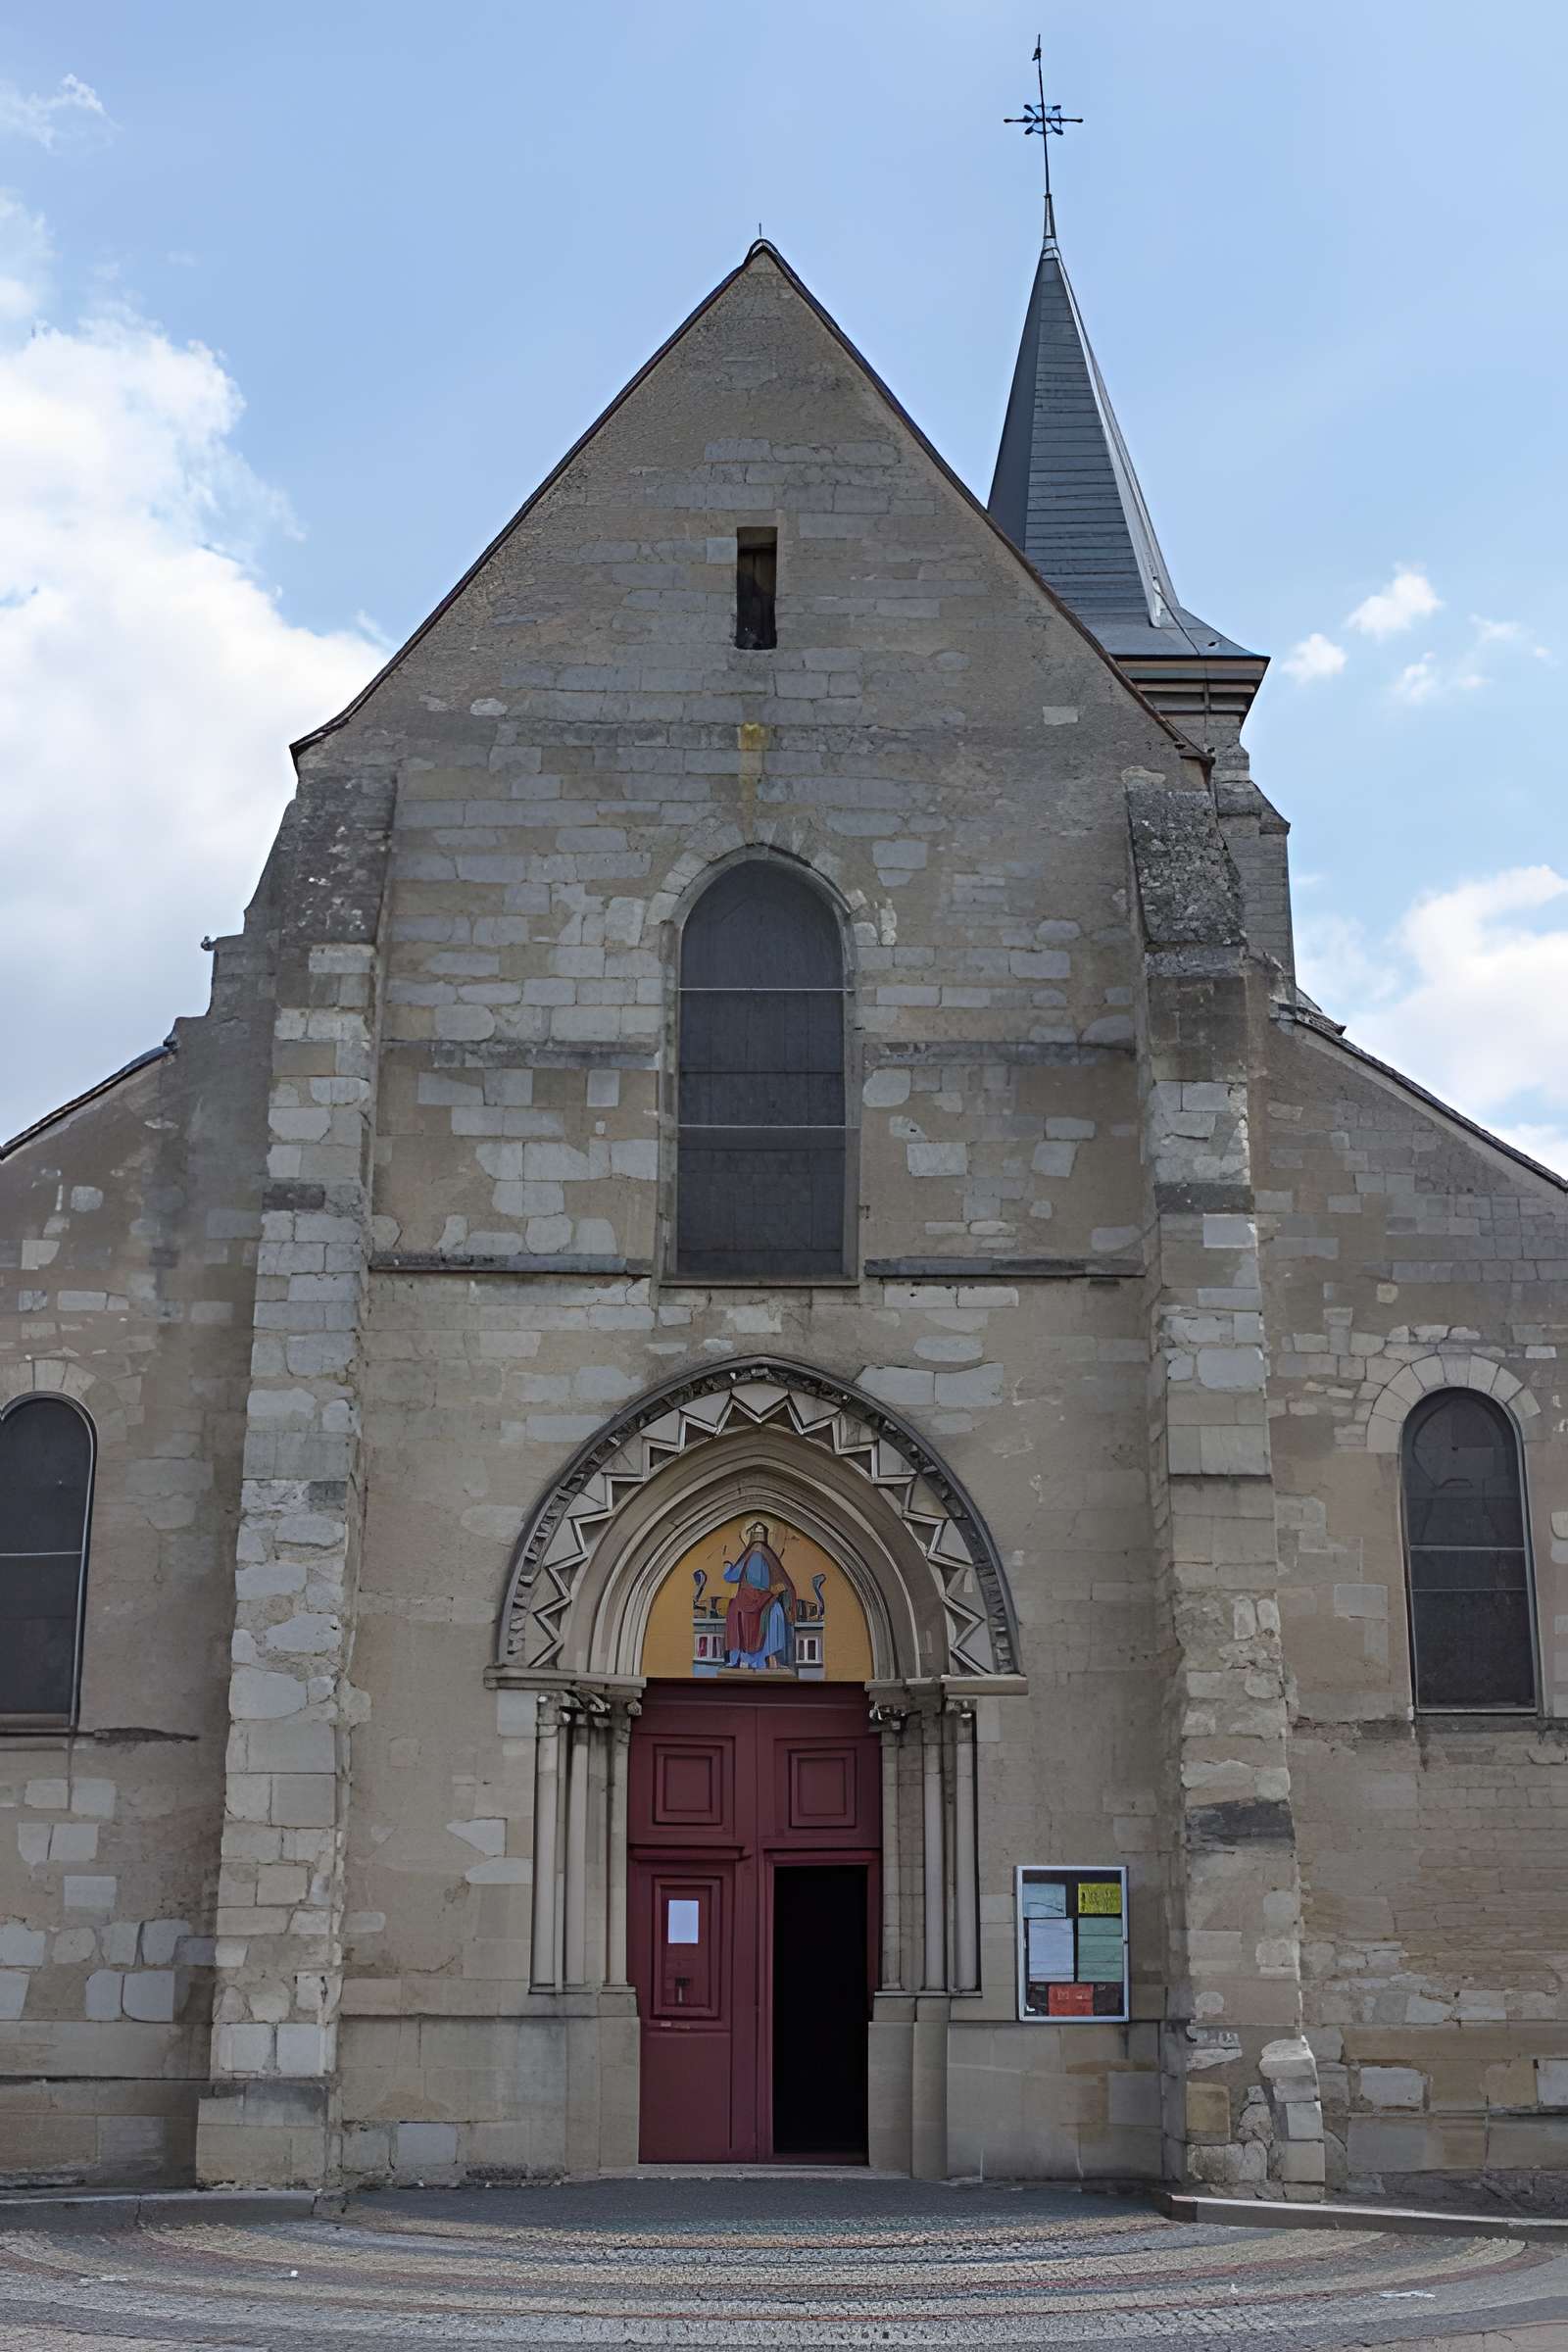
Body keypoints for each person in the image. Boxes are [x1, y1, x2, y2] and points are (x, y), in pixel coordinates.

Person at [721, 1521, 796, 1672]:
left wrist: (727, 1566)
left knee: (733, 1609)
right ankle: (763, 1660)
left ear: (750, 1538)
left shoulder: (749, 1555)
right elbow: (782, 1582)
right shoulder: (770, 1556)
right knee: (775, 1611)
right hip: (766, 1599)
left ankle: (743, 1659)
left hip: (745, 1598)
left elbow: (731, 1576)